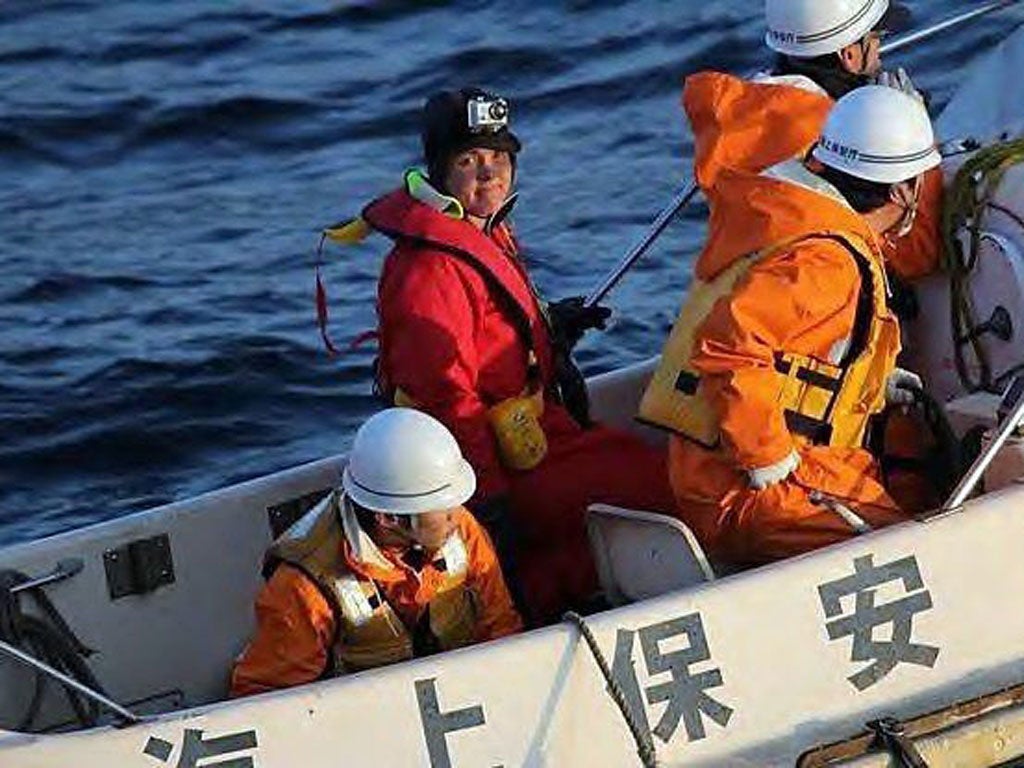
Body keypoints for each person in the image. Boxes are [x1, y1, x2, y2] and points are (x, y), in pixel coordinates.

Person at [351, 87, 677, 624]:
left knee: (643, 463)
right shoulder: (426, 273)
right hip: (492, 467)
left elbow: (489, 338)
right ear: (437, 171)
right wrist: (489, 503)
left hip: (532, 433)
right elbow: (444, 399)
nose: (489, 174)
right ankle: (550, 609)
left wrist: (551, 329)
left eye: (499, 159)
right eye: (468, 161)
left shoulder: (484, 229)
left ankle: (581, 595)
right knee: (660, 485)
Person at [646, 86, 940, 568]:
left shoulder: (779, 219)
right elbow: (731, 346)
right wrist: (766, 457)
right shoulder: (827, 260)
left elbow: (790, 349)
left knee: (905, 491)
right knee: (917, 553)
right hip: (749, 488)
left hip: (708, 474)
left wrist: (869, 382)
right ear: (902, 190)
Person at [230, 408, 521, 698]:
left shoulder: (461, 530)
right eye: (443, 510)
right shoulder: (304, 587)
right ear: (389, 518)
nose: (457, 516)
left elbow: (500, 626)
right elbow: (266, 700)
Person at [682, 0, 942, 281]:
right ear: (850, 55)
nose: (879, 55)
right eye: (876, 39)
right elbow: (914, 255)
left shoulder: (743, 111)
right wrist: (915, 148)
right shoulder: (832, 137)